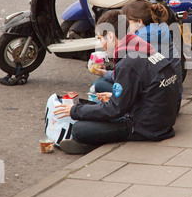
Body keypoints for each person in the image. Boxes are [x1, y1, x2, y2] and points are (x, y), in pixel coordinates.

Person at [54, 9, 179, 154]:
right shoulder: (141, 46)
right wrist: (115, 97)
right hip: (163, 120)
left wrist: (74, 111)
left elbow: (114, 110)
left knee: (79, 129)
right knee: (102, 88)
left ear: (111, 36)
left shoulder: (127, 64)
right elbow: (145, 86)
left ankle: (94, 141)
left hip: (146, 128)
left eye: (101, 38)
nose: (101, 43)